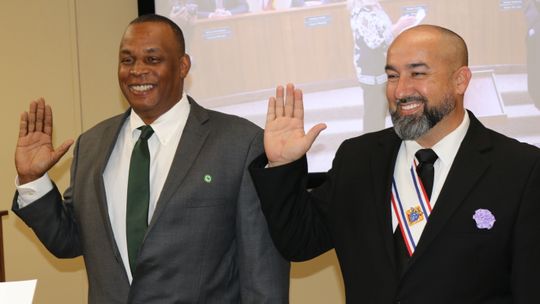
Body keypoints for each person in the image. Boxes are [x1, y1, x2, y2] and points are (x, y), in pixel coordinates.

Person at [249, 24, 540, 303]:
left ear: (460, 80)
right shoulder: (358, 158)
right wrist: (282, 166)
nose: (400, 91)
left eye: (417, 73)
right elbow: (301, 243)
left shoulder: (521, 169)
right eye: (392, 76)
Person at [13, 14, 289, 303]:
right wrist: (33, 180)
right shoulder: (91, 145)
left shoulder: (240, 143)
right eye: (127, 60)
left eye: (153, 60)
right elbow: (69, 241)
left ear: (183, 66)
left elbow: (263, 274)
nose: (137, 71)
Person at [348, 0, 419, 133]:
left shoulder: (374, 6)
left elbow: (383, 31)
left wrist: (399, 27)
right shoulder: (362, 13)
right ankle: (370, 145)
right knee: (374, 112)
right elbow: (375, 43)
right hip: (371, 70)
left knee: (385, 108)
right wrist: (398, 27)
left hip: (382, 65)